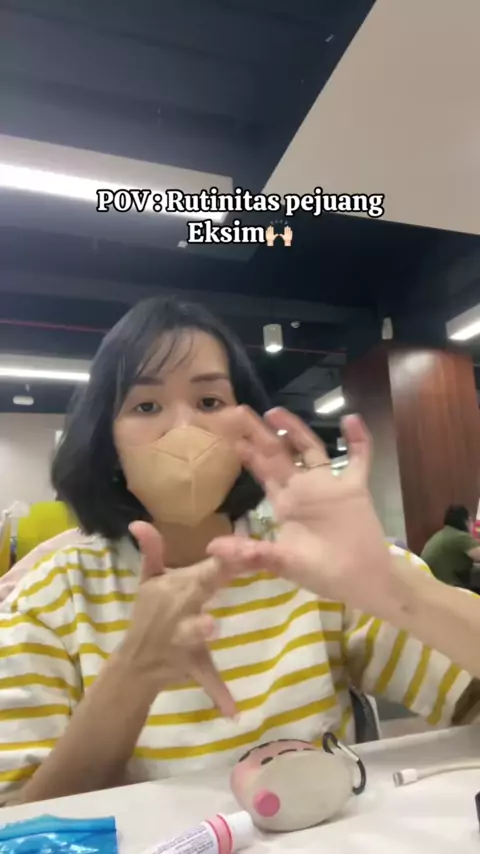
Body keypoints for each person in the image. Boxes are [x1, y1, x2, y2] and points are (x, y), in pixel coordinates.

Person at [0, 296, 478, 807]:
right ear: (109, 442)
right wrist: (134, 671)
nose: (183, 431)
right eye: (146, 406)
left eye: (209, 402)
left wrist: (395, 588)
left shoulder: (309, 566)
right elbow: (17, 819)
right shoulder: (52, 596)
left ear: (247, 428)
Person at [421, 505, 480, 587]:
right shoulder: (460, 537)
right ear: (466, 521)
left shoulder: (444, 533)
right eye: (471, 520)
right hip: (445, 583)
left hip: (428, 580)